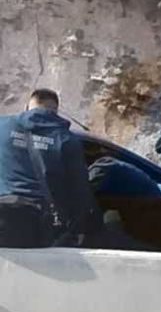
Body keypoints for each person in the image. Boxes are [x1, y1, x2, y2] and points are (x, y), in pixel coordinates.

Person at [0, 88, 100, 247]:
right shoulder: (66, 139)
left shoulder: (2, 127)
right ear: (55, 111)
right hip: (40, 226)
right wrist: (81, 229)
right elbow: (80, 190)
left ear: (26, 107)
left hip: (3, 221)